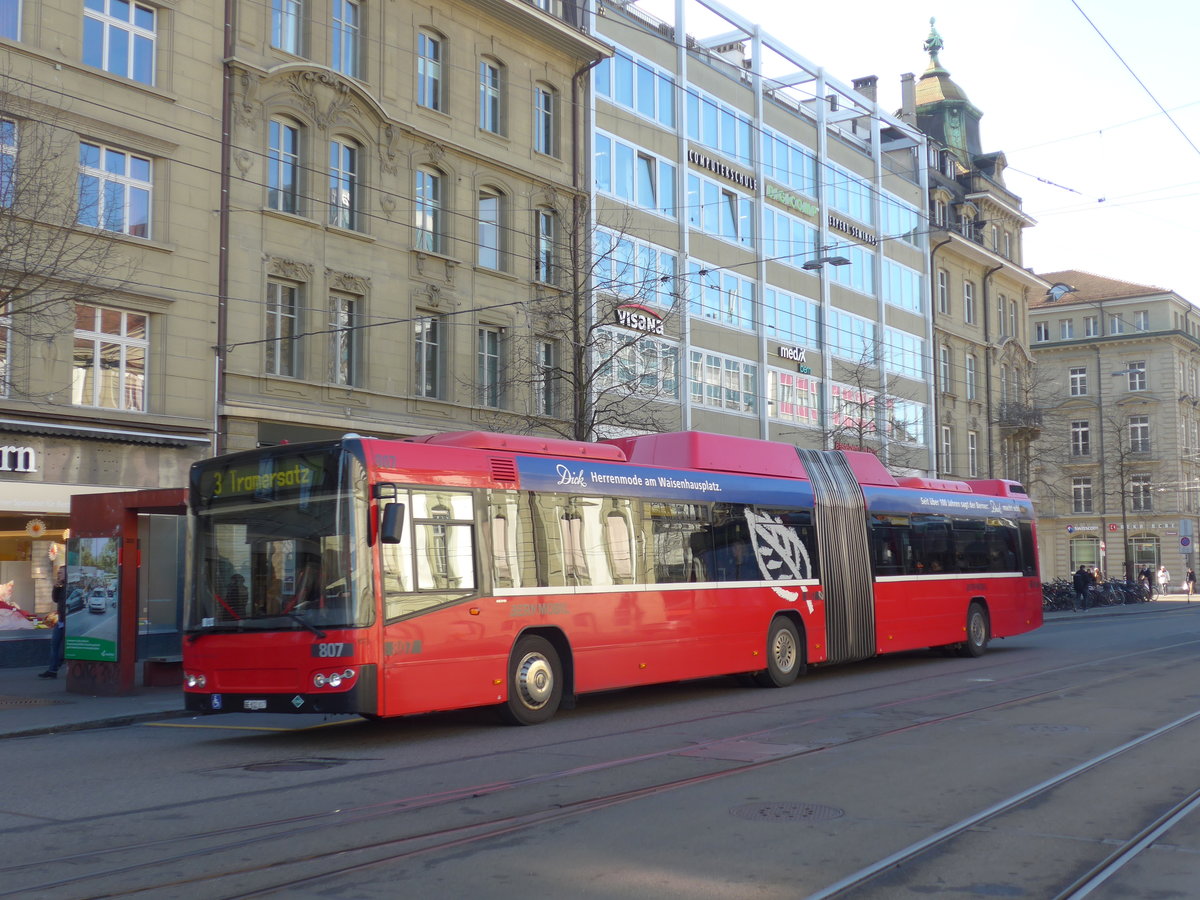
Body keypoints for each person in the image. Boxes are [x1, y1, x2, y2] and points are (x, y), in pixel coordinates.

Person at [38, 567, 67, 679]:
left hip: (67, 621)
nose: (58, 575)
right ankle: (52, 670)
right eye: (58, 573)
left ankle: (56, 666)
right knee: (54, 644)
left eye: (61, 573)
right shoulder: (61, 586)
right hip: (60, 621)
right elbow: (55, 599)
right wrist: (56, 586)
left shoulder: (70, 587)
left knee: (63, 648)